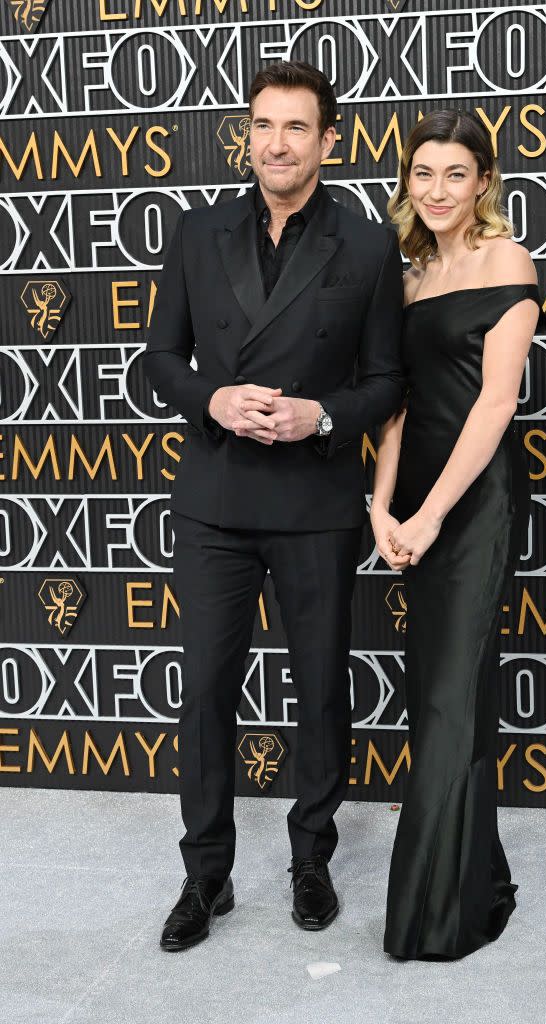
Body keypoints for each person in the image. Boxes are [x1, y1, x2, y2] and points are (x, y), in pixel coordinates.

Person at [142, 60, 404, 951]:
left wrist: (320, 414)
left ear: (329, 140)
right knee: (207, 690)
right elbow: (161, 358)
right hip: (215, 499)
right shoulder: (196, 229)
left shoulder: (366, 244)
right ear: (245, 134)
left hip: (315, 499)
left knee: (320, 691)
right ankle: (203, 876)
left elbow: (386, 381)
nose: (275, 142)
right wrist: (213, 400)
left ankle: (311, 858)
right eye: (261, 125)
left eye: (295, 127)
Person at [370, 109, 546, 961]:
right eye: (421, 173)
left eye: (454, 174)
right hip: (410, 508)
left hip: (472, 508)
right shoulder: (406, 279)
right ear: (407, 182)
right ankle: (476, 873)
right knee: (436, 701)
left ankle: (441, 917)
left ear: (483, 182)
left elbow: (495, 404)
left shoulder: (506, 261)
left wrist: (433, 513)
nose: (436, 190)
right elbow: (396, 407)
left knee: (450, 699)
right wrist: (381, 509)